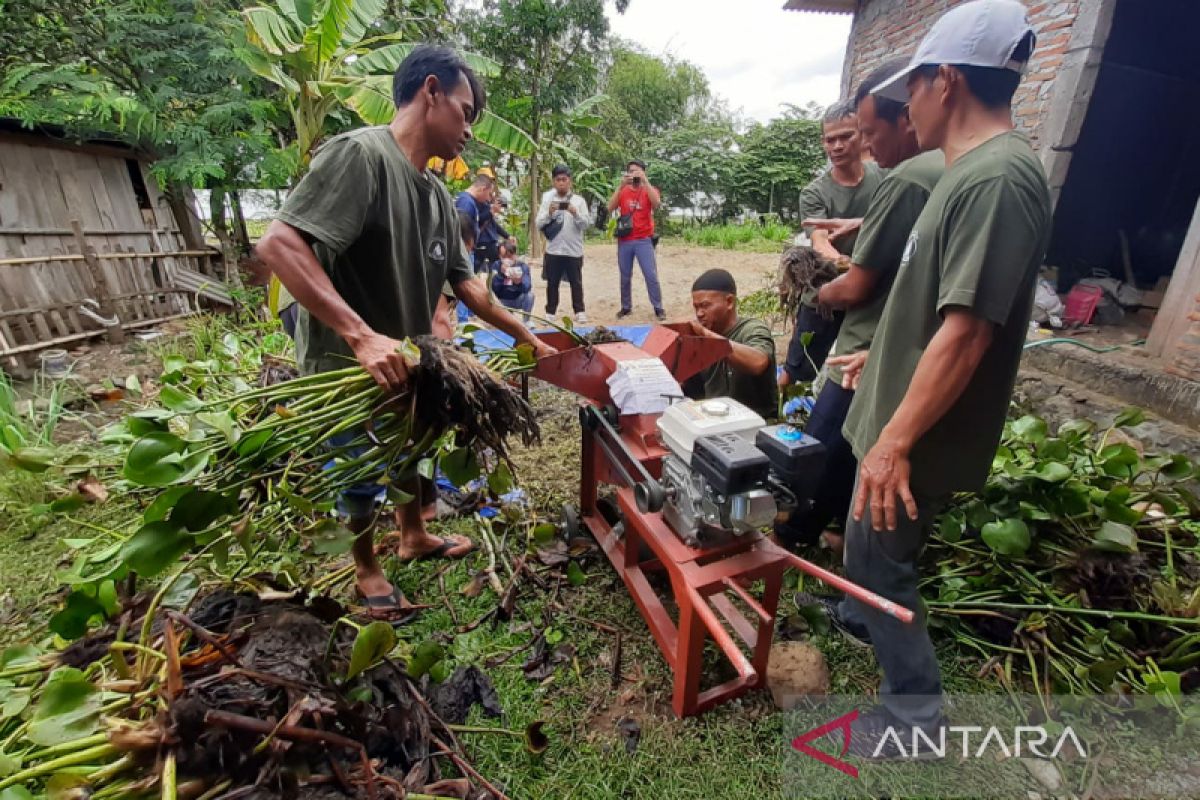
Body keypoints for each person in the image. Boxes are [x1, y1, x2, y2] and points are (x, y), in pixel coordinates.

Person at [256, 45, 555, 621]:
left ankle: (414, 535)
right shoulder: (360, 156)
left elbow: (469, 288)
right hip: (347, 364)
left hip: (409, 360)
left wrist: (529, 338)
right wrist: (361, 335)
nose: (470, 130)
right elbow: (279, 245)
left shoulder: (437, 195)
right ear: (432, 91)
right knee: (360, 472)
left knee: (410, 450)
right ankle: (366, 568)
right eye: (466, 113)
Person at [833, 0, 1050, 755]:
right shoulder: (965, 174)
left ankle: (913, 720)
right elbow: (932, 307)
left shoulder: (997, 179)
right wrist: (879, 353)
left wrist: (893, 444)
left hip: (911, 434)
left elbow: (968, 333)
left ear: (947, 81)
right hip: (893, 406)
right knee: (869, 558)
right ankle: (862, 617)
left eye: (914, 86)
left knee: (879, 561)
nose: (905, 105)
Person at [776, 58, 945, 553]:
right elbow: (820, 240)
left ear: (906, 118)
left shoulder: (902, 180)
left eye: (864, 133)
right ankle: (837, 526)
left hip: (865, 330)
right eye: (836, 138)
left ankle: (794, 533)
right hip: (890, 333)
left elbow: (855, 288)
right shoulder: (941, 169)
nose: (861, 144)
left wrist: (818, 290)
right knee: (816, 382)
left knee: (828, 435)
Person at [780, 103, 884, 386]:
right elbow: (819, 240)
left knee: (858, 370)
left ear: (861, 135)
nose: (837, 146)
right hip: (825, 293)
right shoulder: (815, 193)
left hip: (871, 294)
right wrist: (850, 266)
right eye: (830, 139)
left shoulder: (884, 179)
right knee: (799, 368)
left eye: (845, 136)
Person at [682, 269, 778, 420]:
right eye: (696, 307)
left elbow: (758, 363)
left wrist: (708, 337)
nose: (699, 313)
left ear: (729, 302)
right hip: (714, 419)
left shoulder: (752, 329)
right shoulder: (701, 336)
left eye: (705, 305)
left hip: (755, 423)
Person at [608, 159, 666, 321]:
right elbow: (610, 207)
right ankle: (626, 307)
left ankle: (658, 307)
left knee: (650, 274)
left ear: (644, 172)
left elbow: (656, 204)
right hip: (625, 240)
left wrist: (645, 182)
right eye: (631, 171)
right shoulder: (624, 191)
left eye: (638, 171)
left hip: (644, 240)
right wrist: (620, 186)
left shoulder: (650, 190)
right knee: (625, 275)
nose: (634, 174)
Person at [536, 164, 592, 323]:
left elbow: (586, 224)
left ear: (570, 181)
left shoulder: (579, 201)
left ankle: (579, 311)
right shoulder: (547, 198)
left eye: (564, 179)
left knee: (576, 282)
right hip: (554, 249)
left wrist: (576, 213)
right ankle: (550, 312)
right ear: (553, 181)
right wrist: (549, 213)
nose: (561, 183)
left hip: (573, 249)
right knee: (552, 283)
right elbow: (539, 223)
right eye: (558, 180)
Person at [455, 174, 512, 274]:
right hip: (467, 251)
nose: (488, 198)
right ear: (482, 189)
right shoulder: (466, 203)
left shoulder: (472, 202)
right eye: (488, 193)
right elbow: (462, 230)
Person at [491, 240, 534, 317]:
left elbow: (527, 287)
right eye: (504, 256)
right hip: (502, 301)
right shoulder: (496, 265)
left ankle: (526, 321)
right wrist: (501, 275)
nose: (507, 259)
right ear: (499, 256)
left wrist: (519, 282)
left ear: (515, 254)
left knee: (530, 296)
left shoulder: (522, 266)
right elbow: (493, 288)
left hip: (517, 299)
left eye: (510, 256)